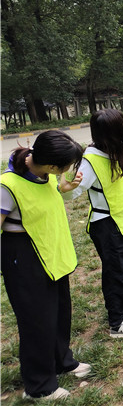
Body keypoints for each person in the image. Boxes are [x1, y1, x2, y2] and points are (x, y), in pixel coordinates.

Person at [1, 131, 90, 400]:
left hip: (52, 252)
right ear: (52, 166)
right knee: (36, 321)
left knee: (59, 311)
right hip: (24, 257)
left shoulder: (43, 172)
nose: (67, 171)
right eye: (65, 167)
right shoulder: (7, 186)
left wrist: (65, 188)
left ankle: (62, 361)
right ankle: (39, 386)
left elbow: (46, 198)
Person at [60, 109, 123, 339]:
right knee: (118, 272)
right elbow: (73, 191)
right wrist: (65, 190)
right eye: (121, 130)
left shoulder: (115, 147)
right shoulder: (91, 160)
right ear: (111, 135)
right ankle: (118, 321)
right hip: (107, 224)